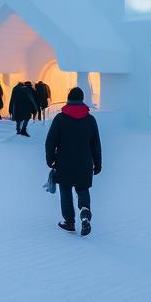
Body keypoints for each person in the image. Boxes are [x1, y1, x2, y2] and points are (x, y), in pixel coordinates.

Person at [45, 87, 102, 236]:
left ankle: (69, 222)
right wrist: (98, 163)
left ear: (68, 99)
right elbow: (95, 144)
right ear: (82, 100)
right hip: (84, 163)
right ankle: (84, 214)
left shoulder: (60, 119)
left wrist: (50, 159)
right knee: (83, 189)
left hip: (64, 163)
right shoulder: (90, 120)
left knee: (65, 190)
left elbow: (50, 141)